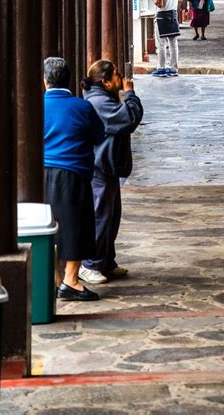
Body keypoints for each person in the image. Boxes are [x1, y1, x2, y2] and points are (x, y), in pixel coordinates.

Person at [43, 57, 105, 302]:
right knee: (76, 225)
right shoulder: (82, 107)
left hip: (40, 172)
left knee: (47, 226)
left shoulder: (36, 105)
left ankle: (56, 280)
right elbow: (98, 135)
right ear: (68, 79)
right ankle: (71, 279)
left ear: (45, 80)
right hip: (73, 172)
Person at [79, 61, 143, 285]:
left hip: (108, 166)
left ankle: (106, 260)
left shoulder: (101, 98)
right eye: (116, 75)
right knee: (100, 216)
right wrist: (131, 94)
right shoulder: (99, 102)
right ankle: (90, 264)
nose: (121, 77)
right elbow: (129, 118)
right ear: (105, 82)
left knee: (111, 215)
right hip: (99, 167)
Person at [150, 0, 181, 77]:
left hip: (162, 17)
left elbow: (160, 4)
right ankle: (174, 68)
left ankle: (161, 68)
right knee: (173, 44)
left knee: (161, 45)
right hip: (173, 15)